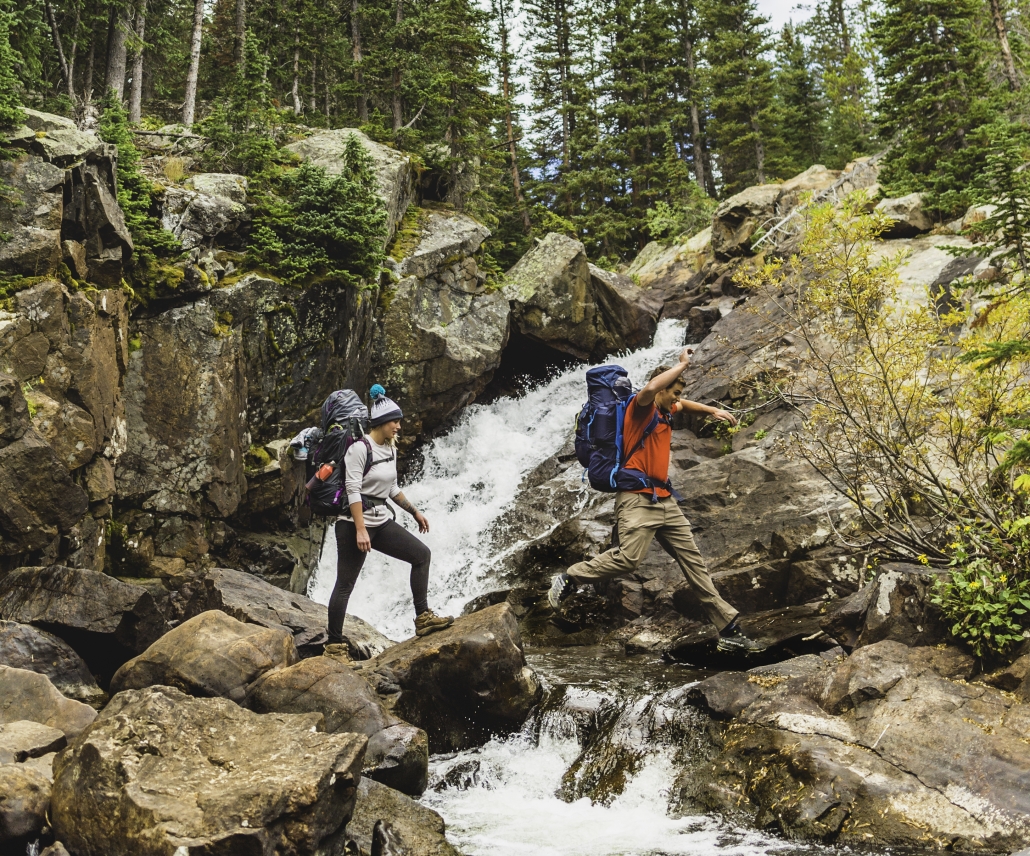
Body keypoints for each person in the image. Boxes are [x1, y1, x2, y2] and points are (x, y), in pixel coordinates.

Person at [548, 349, 765, 654]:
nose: (677, 399)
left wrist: (710, 411)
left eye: (678, 394)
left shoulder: (665, 409)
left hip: (664, 499)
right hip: (636, 499)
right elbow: (650, 389)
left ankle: (729, 629)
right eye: (673, 392)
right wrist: (681, 365)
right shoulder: (642, 408)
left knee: (694, 564)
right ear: (662, 388)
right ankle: (571, 576)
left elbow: (682, 405)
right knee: (628, 559)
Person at [325, 386, 453, 660]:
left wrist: (414, 512)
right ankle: (334, 646)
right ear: (381, 423)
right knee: (345, 584)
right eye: (395, 421)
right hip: (352, 524)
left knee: (421, 555)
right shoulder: (360, 449)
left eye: (399, 421)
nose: (398, 426)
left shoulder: (390, 449)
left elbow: (392, 488)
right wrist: (360, 529)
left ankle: (423, 618)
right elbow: (352, 488)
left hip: (380, 521)